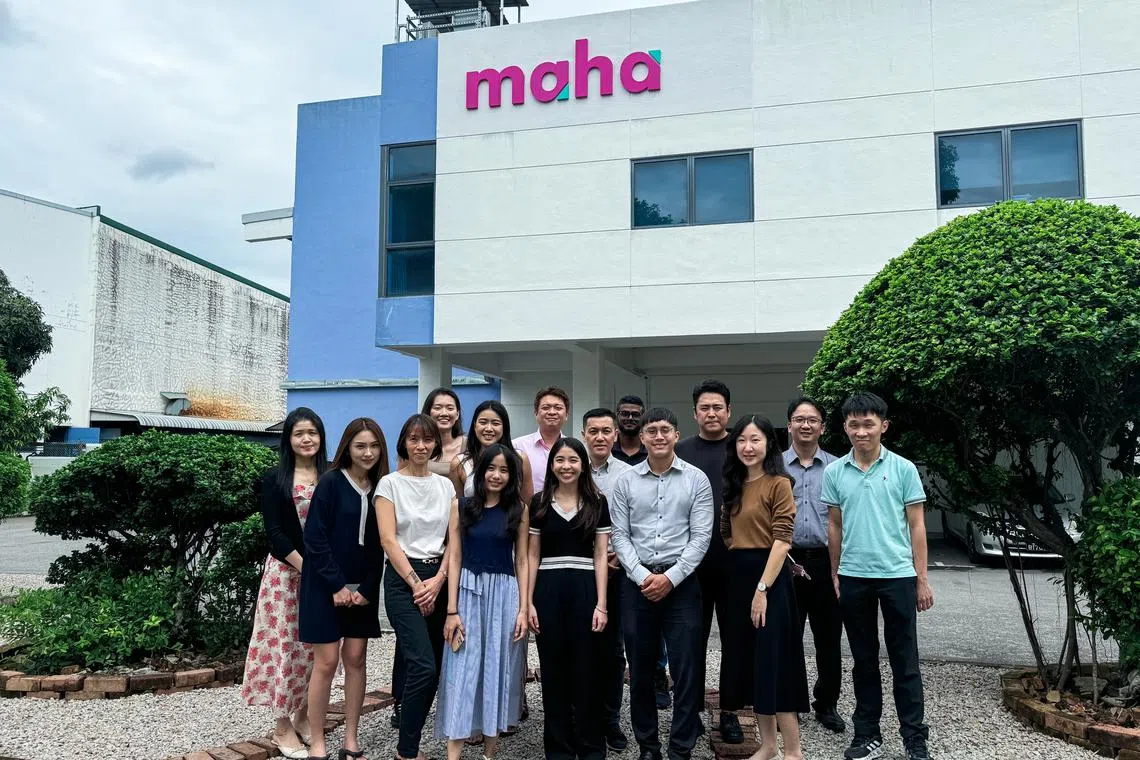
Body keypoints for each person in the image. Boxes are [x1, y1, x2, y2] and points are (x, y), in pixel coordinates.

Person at [824, 392, 934, 760]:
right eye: (853, 424)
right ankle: (867, 734)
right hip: (854, 576)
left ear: (883, 426)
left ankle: (915, 739)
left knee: (905, 660)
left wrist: (921, 578)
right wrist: (836, 572)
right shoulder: (835, 471)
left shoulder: (903, 468)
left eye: (868, 423)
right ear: (844, 427)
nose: (861, 431)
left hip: (898, 575)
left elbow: (917, 525)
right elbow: (835, 527)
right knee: (863, 660)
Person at [611, 408, 713, 760]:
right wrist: (643, 576)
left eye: (665, 430)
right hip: (636, 585)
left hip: (682, 585)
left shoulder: (696, 479)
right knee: (640, 671)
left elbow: (701, 538)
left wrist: (669, 578)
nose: (658, 436)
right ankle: (649, 747)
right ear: (642, 437)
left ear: (675, 434)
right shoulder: (625, 481)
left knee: (686, 671)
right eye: (651, 430)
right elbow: (619, 537)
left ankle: (681, 747)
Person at [299, 417, 389, 760]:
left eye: (374, 446)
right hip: (324, 586)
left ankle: (351, 739)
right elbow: (315, 538)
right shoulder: (331, 483)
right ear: (347, 448)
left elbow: (381, 543)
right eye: (360, 446)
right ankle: (318, 740)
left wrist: (367, 587)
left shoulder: (382, 486)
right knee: (326, 661)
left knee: (356, 658)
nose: (368, 452)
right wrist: (336, 584)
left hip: (362, 588)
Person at [721, 414, 809, 760]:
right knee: (753, 664)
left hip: (770, 581)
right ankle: (768, 745)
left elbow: (783, 541)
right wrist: (743, 570)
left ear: (768, 444)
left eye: (755, 439)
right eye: (742, 440)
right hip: (740, 578)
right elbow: (726, 532)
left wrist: (761, 589)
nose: (748, 447)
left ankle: (793, 751)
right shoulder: (734, 483)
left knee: (777, 664)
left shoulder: (779, 483)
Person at [242, 407, 328, 759]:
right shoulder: (275, 478)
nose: (306, 439)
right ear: (288, 439)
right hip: (285, 577)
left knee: (316, 650)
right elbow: (275, 534)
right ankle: (281, 725)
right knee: (283, 648)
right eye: (299, 433)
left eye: (313, 432)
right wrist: (307, 567)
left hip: (322, 577)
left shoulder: (331, 476)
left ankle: (304, 715)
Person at [436, 444, 530, 760]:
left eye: (504, 470)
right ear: (481, 471)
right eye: (491, 468)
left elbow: (523, 561)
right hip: (467, 593)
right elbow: (455, 557)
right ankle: (454, 755)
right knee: (462, 670)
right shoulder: (460, 506)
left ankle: (490, 753)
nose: (497, 475)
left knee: (497, 669)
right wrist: (451, 611)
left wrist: (522, 608)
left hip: (505, 595)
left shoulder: (519, 509)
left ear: (512, 475)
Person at [377, 414, 457, 760]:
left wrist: (437, 582)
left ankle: (408, 746)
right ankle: (407, 751)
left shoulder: (446, 486)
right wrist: (416, 585)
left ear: (435, 444)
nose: (421, 446)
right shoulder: (389, 484)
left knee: (435, 669)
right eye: (413, 439)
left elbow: (454, 540)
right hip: (401, 580)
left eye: (427, 440)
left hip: (438, 577)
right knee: (421, 664)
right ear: (404, 444)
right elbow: (387, 539)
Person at [528, 437, 611, 760]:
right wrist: (529, 603)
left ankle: (591, 747)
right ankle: (559, 749)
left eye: (573, 460)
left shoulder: (597, 503)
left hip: (585, 590)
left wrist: (601, 603)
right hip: (548, 590)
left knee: (588, 672)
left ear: (583, 465)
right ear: (551, 466)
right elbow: (532, 555)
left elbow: (601, 555)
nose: (566, 466)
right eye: (560, 460)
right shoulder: (538, 504)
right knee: (553, 671)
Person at [674, 379, 738, 742]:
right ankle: (691, 711)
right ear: (695, 412)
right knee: (690, 642)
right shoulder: (681, 451)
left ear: (728, 410)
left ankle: (730, 710)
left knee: (734, 641)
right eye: (704, 408)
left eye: (718, 407)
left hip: (734, 565)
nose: (711, 413)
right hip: (690, 567)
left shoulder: (742, 447)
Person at [783, 396, 844, 733]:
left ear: (822, 426)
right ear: (790, 424)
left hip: (825, 563)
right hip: (786, 562)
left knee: (828, 638)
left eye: (812, 420)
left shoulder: (837, 467)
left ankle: (827, 703)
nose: (805, 425)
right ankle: (788, 703)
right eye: (799, 419)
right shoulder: (774, 467)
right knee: (785, 637)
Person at [581, 407, 633, 752]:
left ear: (615, 435)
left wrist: (622, 555)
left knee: (613, 651)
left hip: (617, 572)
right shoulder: (569, 468)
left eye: (606, 431)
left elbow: (642, 522)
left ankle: (610, 719)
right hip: (578, 572)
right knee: (579, 647)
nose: (600, 437)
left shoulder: (630, 474)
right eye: (593, 431)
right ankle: (580, 716)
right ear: (584, 434)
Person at [449, 399, 534, 503]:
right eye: (483, 422)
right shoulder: (459, 463)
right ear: (475, 425)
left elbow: (527, 503)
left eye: (495, 423)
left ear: (504, 427)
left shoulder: (520, 459)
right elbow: (457, 508)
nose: (489, 428)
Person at [513, 386, 569, 494]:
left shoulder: (574, 449)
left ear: (566, 414)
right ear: (536, 413)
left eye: (558, 408)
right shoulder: (517, 446)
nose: (552, 412)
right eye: (546, 407)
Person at [613, 395, 648, 465]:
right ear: (617, 416)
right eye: (625, 414)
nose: (630, 418)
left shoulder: (651, 449)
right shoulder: (608, 448)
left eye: (636, 414)